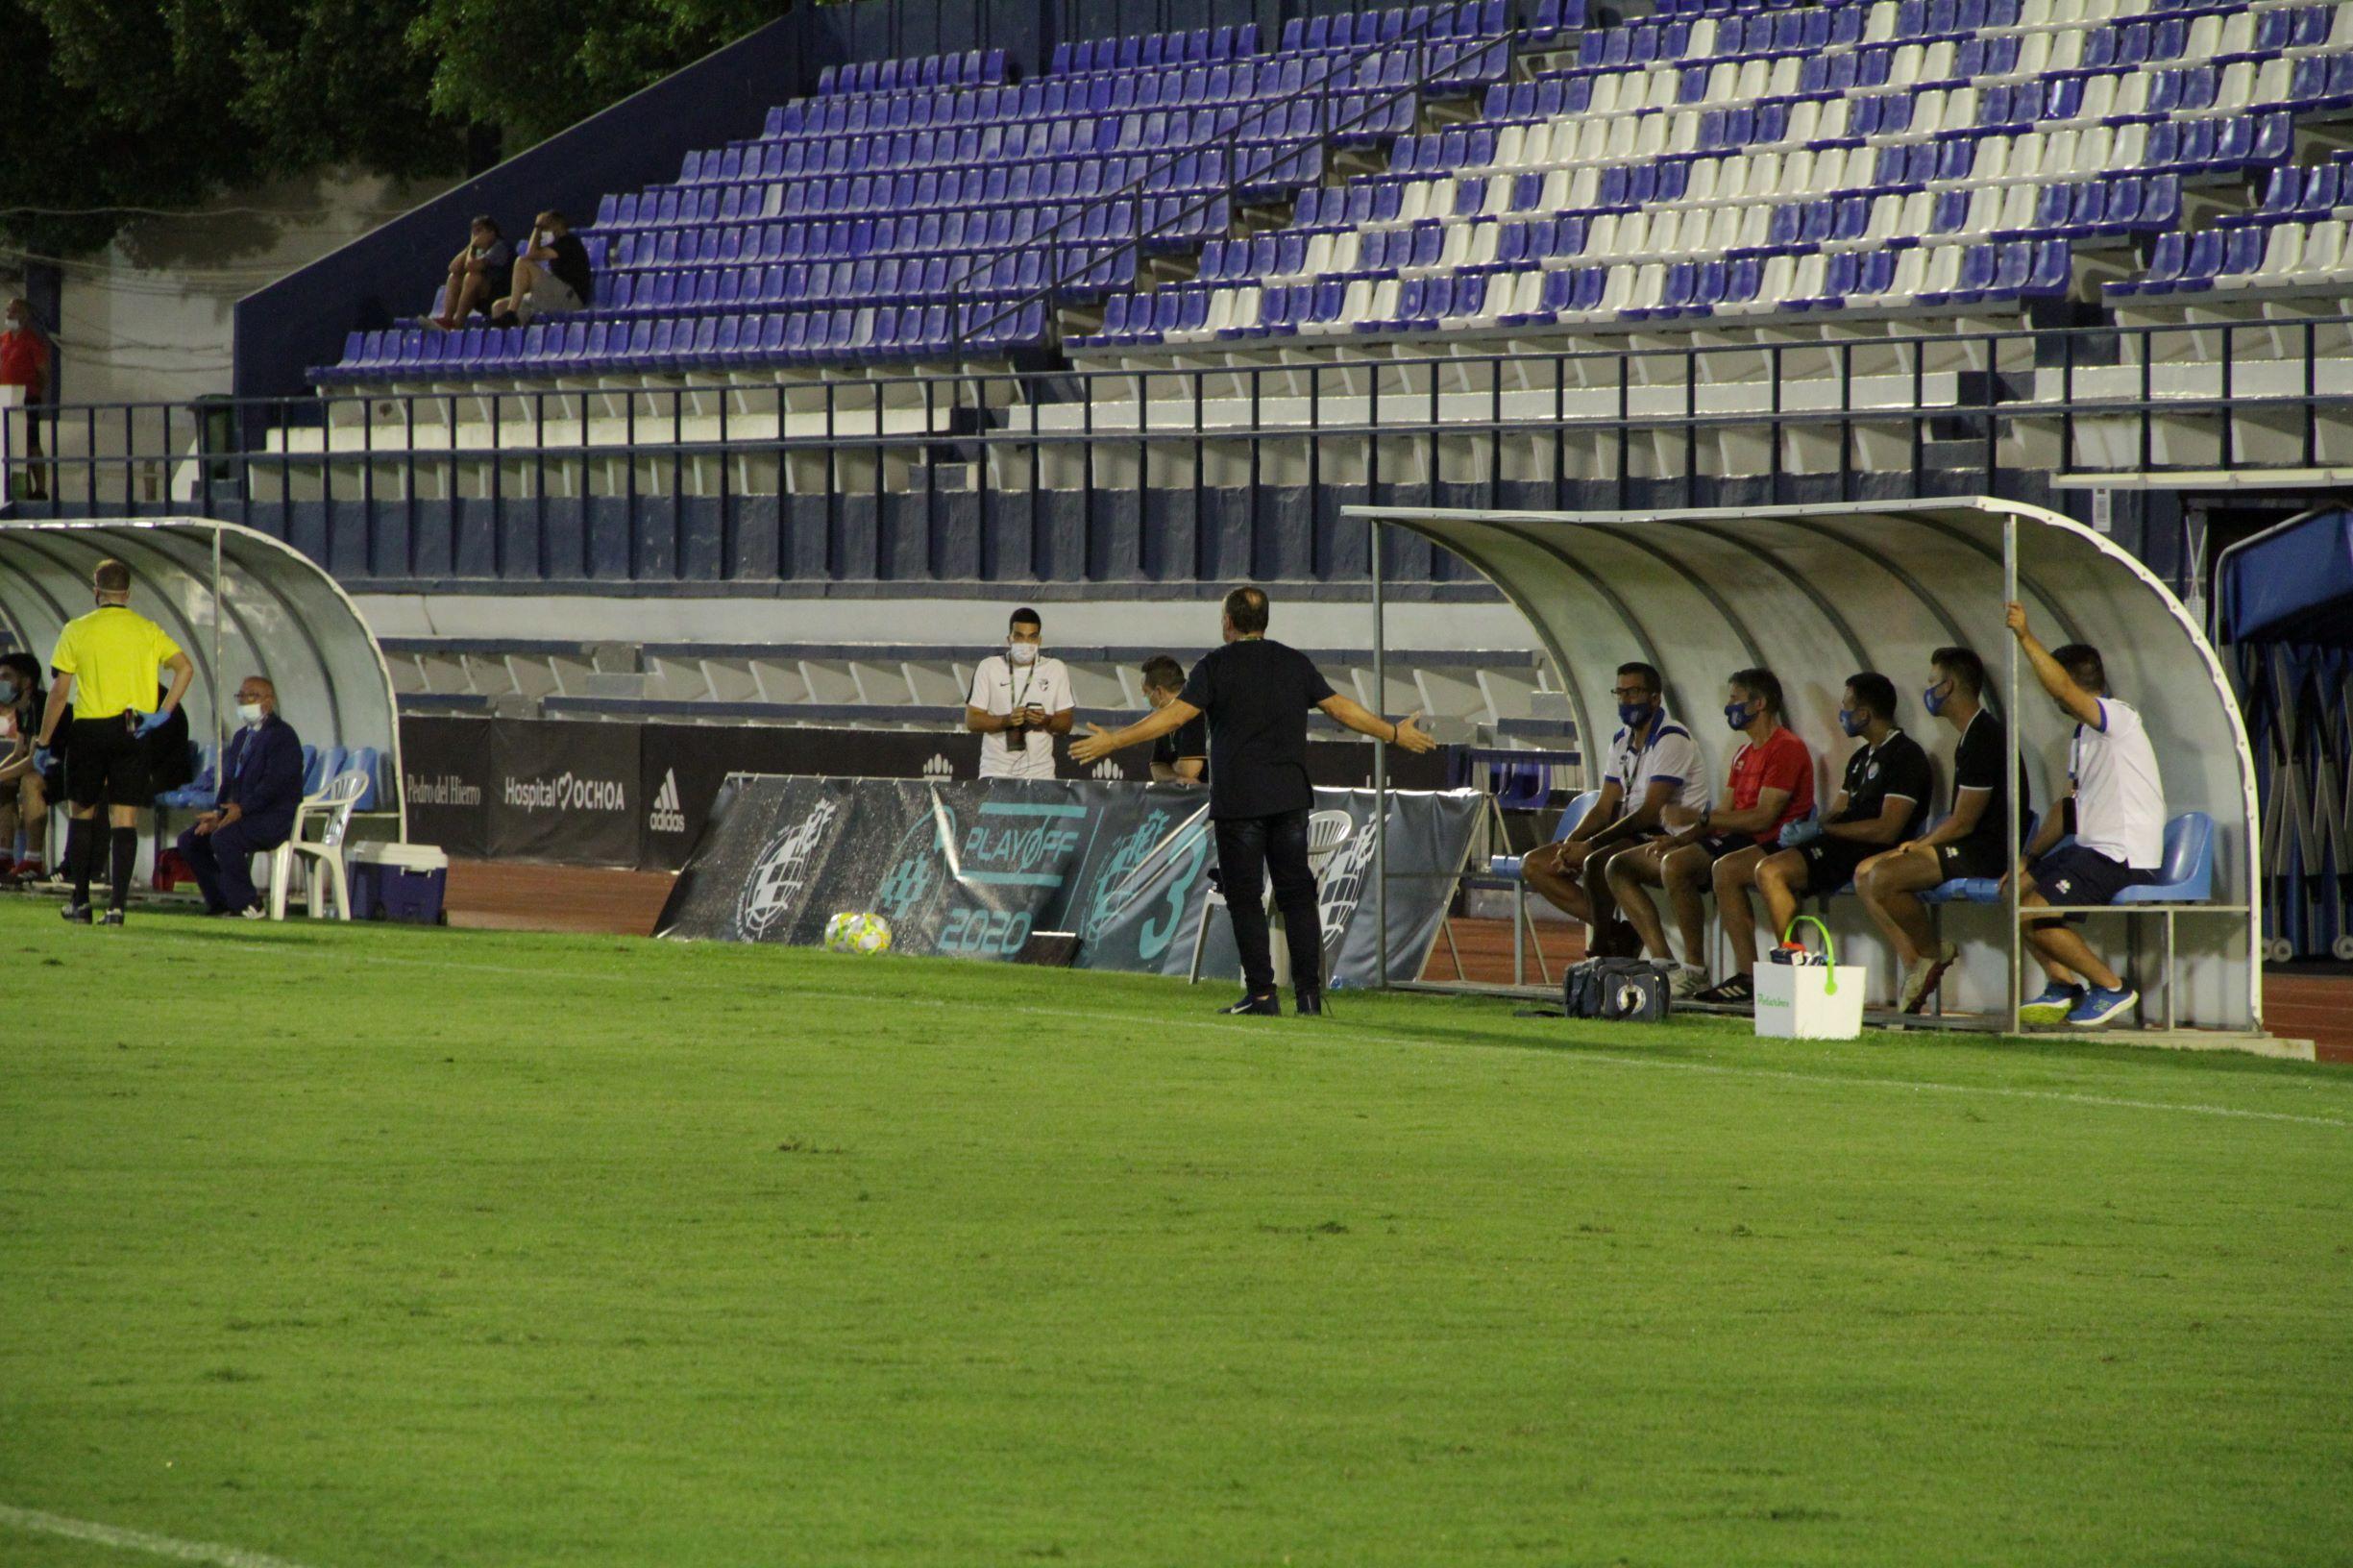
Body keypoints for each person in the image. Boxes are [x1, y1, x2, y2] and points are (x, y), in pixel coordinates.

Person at [1071, 586, 1437, 1017]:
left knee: (1244, 899)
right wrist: (1394, 733)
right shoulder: (1293, 662)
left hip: (1240, 800)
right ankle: (1309, 997)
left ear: (1228, 621)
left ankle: (1263, 995)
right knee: (1298, 896)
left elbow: (1174, 716)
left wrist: (1115, 739)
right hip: (1289, 799)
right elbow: (1340, 709)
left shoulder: (1215, 666)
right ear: (1266, 621)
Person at [1701, 673, 1931, 1004]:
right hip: (1842, 844)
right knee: (1756, 868)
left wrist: (1823, 830)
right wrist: (1815, 827)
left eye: (1846, 706)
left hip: (1872, 848)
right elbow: (1838, 811)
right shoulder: (1859, 758)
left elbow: (1887, 829)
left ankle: (1792, 970)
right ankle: (1775, 967)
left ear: (1865, 713)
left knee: (1771, 871)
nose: (1841, 713)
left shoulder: (1905, 755)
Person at [1605, 667, 1813, 998]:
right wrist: (1682, 837)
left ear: (1758, 704)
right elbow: (1722, 816)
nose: (1728, 707)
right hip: (1737, 838)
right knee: (1625, 863)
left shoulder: (1786, 748)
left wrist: (1697, 818)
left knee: (1690, 866)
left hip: (1771, 841)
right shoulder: (1744, 753)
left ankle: (1708, 971)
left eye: (1734, 699)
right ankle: (1665, 963)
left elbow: (1762, 818)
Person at [2006, 606, 2167, 1028]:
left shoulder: (2118, 718)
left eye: (2057, 684)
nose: (2053, 696)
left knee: (2035, 911)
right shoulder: (2083, 736)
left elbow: (2060, 688)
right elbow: (2067, 807)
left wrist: (2025, 637)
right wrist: (2028, 857)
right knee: (2014, 893)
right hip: (2091, 850)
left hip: (2124, 856)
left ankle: (2113, 986)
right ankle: (2063, 985)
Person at [1852, 646, 2024, 1013]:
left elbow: (1964, 820)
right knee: (1865, 874)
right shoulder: (1970, 734)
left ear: (1948, 686)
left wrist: (1918, 846)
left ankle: (1932, 954)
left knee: (1882, 876)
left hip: (1988, 851)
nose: (1927, 689)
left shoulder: (1983, 736)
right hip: (1969, 844)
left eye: (1932, 682)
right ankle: (1918, 965)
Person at [30, 559, 196, 925]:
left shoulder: (77, 630)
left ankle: (81, 902)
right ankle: (118, 908)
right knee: (125, 818)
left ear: (96, 591)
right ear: (128, 593)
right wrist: (163, 712)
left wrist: (42, 741)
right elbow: (185, 668)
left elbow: (59, 693)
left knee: (82, 815)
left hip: (89, 729)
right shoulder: (147, 629)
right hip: (132, 728)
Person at [1520, 660, 1705, 948]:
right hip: (1630, 833)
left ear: (1655, 698)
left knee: (1597, 861)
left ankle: (1606, 945)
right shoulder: (1621, 740)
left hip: (1664, 834)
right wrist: (1570, 844)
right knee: (1534, 865)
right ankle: (1618, 933)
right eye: (1620, 693)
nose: (1626, 700)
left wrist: (1590, 845)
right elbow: (1604, 806)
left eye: (1633, 693)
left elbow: (1649, 813)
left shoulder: (1671, 738)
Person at [174, 676, 304, 918]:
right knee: (190, 840)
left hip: (275, 818)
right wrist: (217, 813)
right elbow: (229, 781)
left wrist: (241, 809)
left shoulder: (283, 736)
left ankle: (249, 903)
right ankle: (221, 901)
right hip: (242, 814)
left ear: (269, 700)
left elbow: (274, 785)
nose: (244, 701)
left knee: (225, 838)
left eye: (251, 696)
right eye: (241, 696)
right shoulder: (242, 736)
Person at [965, 607, 1075, 779]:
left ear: (1039, 640)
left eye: (1031, 637)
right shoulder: (989, 667)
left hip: (1041, 773)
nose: (1025, 643)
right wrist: (1006, 720)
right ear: (1009, 638)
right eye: (1019, 636)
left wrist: (1045, 720)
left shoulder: (1055, 669)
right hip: (995, 771)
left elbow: (1066, 723)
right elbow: (972, 720)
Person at [492, 210, 594, 326]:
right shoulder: (556, 244)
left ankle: (511, 312)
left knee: (522, 262)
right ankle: (511, 333)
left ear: (557, 225)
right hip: (553, 295)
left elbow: (530, 254)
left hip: (570, 298)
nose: (542, 232)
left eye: (545, 228)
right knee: (499, 306)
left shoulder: (569, 242)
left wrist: (537, 227)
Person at [0, 653, 49, 878]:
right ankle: (4, 856)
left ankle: (33, 861)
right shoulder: (21, 709)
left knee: (30, 781)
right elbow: (18, 752)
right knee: (5, 782)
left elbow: (32, 760)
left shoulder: (43, 705)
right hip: (43, 767)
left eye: (6, 677)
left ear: (26, 682)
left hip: (68, 771)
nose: (1, 682)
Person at [2, 297, 52, 501]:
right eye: (8, 310)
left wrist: (34, 389)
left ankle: (40, 488)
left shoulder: (32, 341)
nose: (9, 314)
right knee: (11, 445)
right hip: (5, 401)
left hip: (27, 399)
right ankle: (18, 487)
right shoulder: (3, 340)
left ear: (24, 315)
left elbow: (44, 373)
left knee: (31, 443)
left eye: (14, 311)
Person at [431, 217, 513, 330]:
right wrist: (470, 246)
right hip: (483, 298)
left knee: (472, 277)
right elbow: (453, 268)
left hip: (502, 296)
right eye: (473, 232)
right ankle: (448, 319)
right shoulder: (477, 250)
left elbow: (472, 266)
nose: (475, 236)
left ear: (491, 232)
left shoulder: (500, 246)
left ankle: (458, 323)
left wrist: (473, 246)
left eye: (479, 231)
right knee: (454, 278)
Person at [1140, 655, 1207, 784]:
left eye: (1146, 691)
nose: (1144, 696)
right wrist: (1176, 776)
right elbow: (1156, 769)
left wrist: (1169, 767)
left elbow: (1189, 772)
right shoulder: (1164, 719)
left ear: (1159, 691)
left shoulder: (1195, 714)